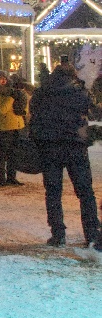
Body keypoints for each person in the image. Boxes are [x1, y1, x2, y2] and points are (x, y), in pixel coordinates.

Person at [30, 64, 100, 248]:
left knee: (53, 192)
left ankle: (58, 234)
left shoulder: (42, 91)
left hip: (50, 147)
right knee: (85, 192)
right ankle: (92, 234)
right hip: (75, 146)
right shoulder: (79, 92)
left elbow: (34, 114)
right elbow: (91, 110)